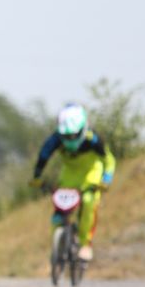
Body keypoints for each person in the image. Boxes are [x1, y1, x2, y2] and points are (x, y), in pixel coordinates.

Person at [30, 103, 116, 262]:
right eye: (66, 136)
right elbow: (43, 157)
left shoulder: (93, 139)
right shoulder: (55, 139)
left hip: (91, 172)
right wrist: (37, 177)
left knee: (88, 201)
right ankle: (58, 246)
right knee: (59, 205)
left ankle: (85, 245)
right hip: (69, 174)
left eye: (73, 135)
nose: (69, 139)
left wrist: (106, 179)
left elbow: (109, 160)